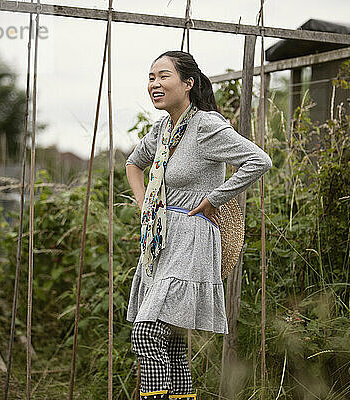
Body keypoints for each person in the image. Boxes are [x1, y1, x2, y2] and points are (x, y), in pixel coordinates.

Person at [125, 50, 272, 400]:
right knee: (173, 342)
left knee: (146, 334)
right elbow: (134, 163)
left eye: (163, 76)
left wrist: (216, 198)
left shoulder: (206, 126)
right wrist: (144, 200)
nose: (154, 84)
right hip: (160, 241)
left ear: (188, 83)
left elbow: (258, 160)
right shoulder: (162, 130)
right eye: (151, 77)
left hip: (192, 238)